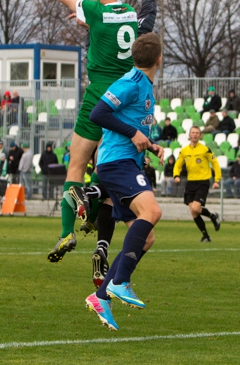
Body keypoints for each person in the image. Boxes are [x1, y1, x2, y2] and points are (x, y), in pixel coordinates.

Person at [50, 0, 157, 270]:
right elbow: (148, 9)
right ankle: (103, 237)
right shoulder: (133, 17)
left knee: (76, 167)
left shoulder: (94, 10)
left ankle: (67, 232)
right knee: (109, 170)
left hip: (99, 95)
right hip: (127, 101)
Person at [84, 32, 164, 331]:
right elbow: (98, 113)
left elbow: (131, 124)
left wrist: (150, 144)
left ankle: (101, 296)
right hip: (116, 162)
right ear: (159, 59)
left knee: (147, 236)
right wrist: (132, 135)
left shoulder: (142, 84)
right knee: (153, 213)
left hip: (124, 161)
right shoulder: (130, 82)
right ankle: (120, 281)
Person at [173, 126, 221, 242]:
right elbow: (178, 164)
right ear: (189, 135)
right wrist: (176, 175)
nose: (194, 135)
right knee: (193, 212)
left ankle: (212, 216)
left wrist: (217, 180)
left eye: (197, 133)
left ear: (200, 136)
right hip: (191, 182)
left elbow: (215, 163)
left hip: (203, 182)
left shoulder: (205, 149)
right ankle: (206, 235)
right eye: (193, 132)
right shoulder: (184, 151)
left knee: (196, 207)